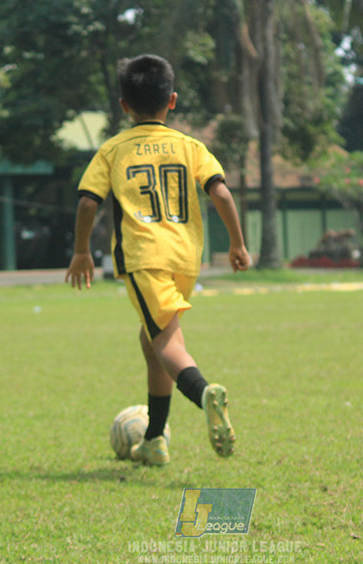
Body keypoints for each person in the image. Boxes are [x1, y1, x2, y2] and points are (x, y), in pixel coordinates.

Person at [65, 54, 250, 467]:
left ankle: (203, 393)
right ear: (172, 100)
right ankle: (154, 441)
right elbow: (221, 193)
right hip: (185, 256)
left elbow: (87, 202)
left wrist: (81, 252)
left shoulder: (113, 149)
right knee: (151, 341)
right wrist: (237, 244)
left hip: (144, 256)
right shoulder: (191, 146)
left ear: (124, 106)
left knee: (166, 342)